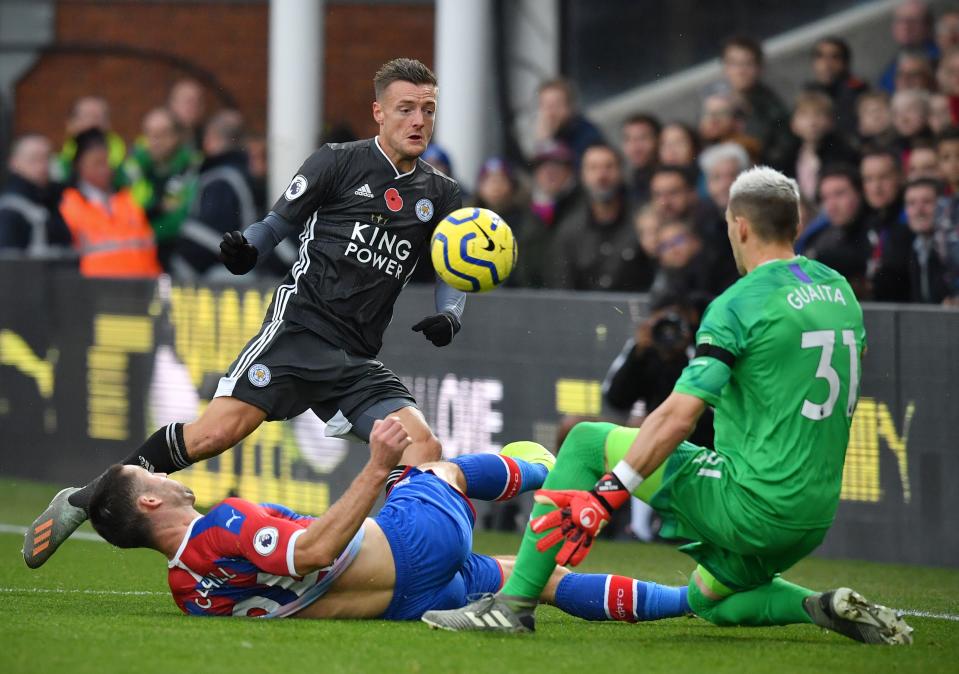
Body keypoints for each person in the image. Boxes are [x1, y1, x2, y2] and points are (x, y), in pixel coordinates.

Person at [422, 165, 914, 646]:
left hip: (750, 502)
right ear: (798, 224)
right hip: (813, 515)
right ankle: (821, 607)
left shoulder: (739, 303)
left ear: (739, 226)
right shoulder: (839, 291)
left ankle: (512, 607)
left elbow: (681, 416)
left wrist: (607, 495)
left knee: (587, 441)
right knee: (710, 600)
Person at [23, 58, 467, 570]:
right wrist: (247, 248)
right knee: (214, 435)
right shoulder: (339, 161)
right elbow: (277, 222)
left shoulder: (442, 193)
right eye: (406, 109)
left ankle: (403, 561)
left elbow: (456, 267)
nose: (418, 121)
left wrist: (450, 314)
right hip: (299, 333)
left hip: (357, 360)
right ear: (378, 113)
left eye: (428, 110)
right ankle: (84, 497)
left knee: (422, 447)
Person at [87, 418, 689, 623]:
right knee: (435, 471)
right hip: (411, 546)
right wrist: (375, 469)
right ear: (148, 504)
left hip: (408, 603)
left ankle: (690, 602)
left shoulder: (185, 591)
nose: (165, 473)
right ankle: (558, 471)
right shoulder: (223, 522)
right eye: (151, 477)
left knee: (536, 581)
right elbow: (313, 552)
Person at [168, 109, 264, 279]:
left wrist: (176, 264)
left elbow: (210, 236)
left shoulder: (221, 180)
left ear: (211, 139)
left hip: (222, 277)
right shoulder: (239, 174)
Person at [547, 143, 653, 291]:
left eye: (609, 167)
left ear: (622, 172)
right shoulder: (570, 229)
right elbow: (562, 288)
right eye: (593, 168)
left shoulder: (644, 221)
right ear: (582, 175)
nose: (601, 176)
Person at [58, 129, 162, 278]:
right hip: (95, 291)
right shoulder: (68, 203)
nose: (105, 169)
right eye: (97, 163)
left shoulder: (127, 200)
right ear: (78, 165)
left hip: (143, 288)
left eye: (107, 161)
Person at [122, 107, 201, 270]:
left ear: (177, 136)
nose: (155, 140)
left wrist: (147, 223)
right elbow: (125, 213)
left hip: (176, 253)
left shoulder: (192, 167)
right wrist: (158, 209)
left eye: (163, 134)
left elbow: (179, 220)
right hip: (137, 255)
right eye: (150, 134)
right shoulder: (133, 167)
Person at [717, 36, 791, 167]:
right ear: (725, 67)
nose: (741, 71)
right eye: (734, 63)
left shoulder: (773, 108)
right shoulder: (715, 104)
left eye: (747, 64)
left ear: (759, 68)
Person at [0, 133, 72, 256]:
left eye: (46, 158)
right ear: (14, 162)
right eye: (34, 159)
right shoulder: (10, 210)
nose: (42, 166)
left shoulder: (56, 199)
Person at [52, 95, 127, 184]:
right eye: (87, 117)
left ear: (108, 124)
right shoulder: (56, 168)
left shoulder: (128, 163)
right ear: (70, 124)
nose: (93, 123)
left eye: (98, 117)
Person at [805, 37, 868, 137]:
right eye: (820, 56)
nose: (826, 64)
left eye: (834, 57)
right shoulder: (808, 93)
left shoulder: (858, 89)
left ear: (845, 63)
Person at [533, 79, 604, 165]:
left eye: (556, 105)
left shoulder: (587, 136)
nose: (550, 113)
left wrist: (547, 144)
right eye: (545, 106)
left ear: (570, 107)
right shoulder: (552, 132)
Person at [878, 0, 938, 94]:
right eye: (900, 21)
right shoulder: (890, 69)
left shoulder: (941, 58)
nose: (905, 26)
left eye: (912, 21)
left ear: (928, 25)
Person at [620, 113, 660, 205]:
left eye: (642, 138)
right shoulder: (631, 181)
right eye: (628, 140)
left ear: (658, 140)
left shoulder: (673, 177)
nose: (635, 148)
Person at [168, 78, 207, 150]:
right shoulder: (155, 140)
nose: (194, 107)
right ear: (173, 104)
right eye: (188, 102)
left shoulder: (207, 140)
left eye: (198, 102)